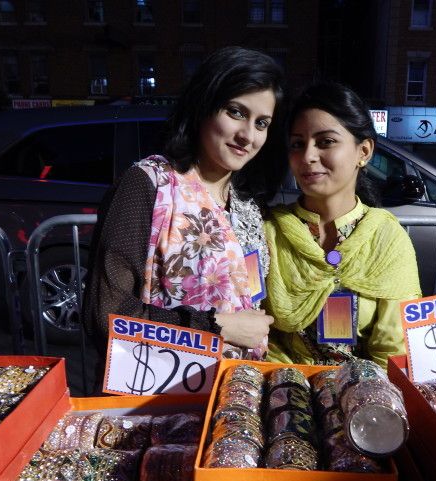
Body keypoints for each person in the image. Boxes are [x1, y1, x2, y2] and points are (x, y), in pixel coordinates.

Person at [83, 47, 286, 375]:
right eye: (235, 112)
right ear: (204, 105)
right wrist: (216, 327)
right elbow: (106, 316)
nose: (248, 135)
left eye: (261, 123)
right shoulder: (149, 185)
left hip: (236, 395)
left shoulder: (247, 205)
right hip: (160, 393)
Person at [263, 82, 422, 370]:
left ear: (363, 151)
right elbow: (260, 333)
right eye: (298, 144)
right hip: (284, 392)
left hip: (365, 397)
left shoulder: (386, 238)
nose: (308, 156)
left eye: (325, 142)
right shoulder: (270, 232)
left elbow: (393, 351)